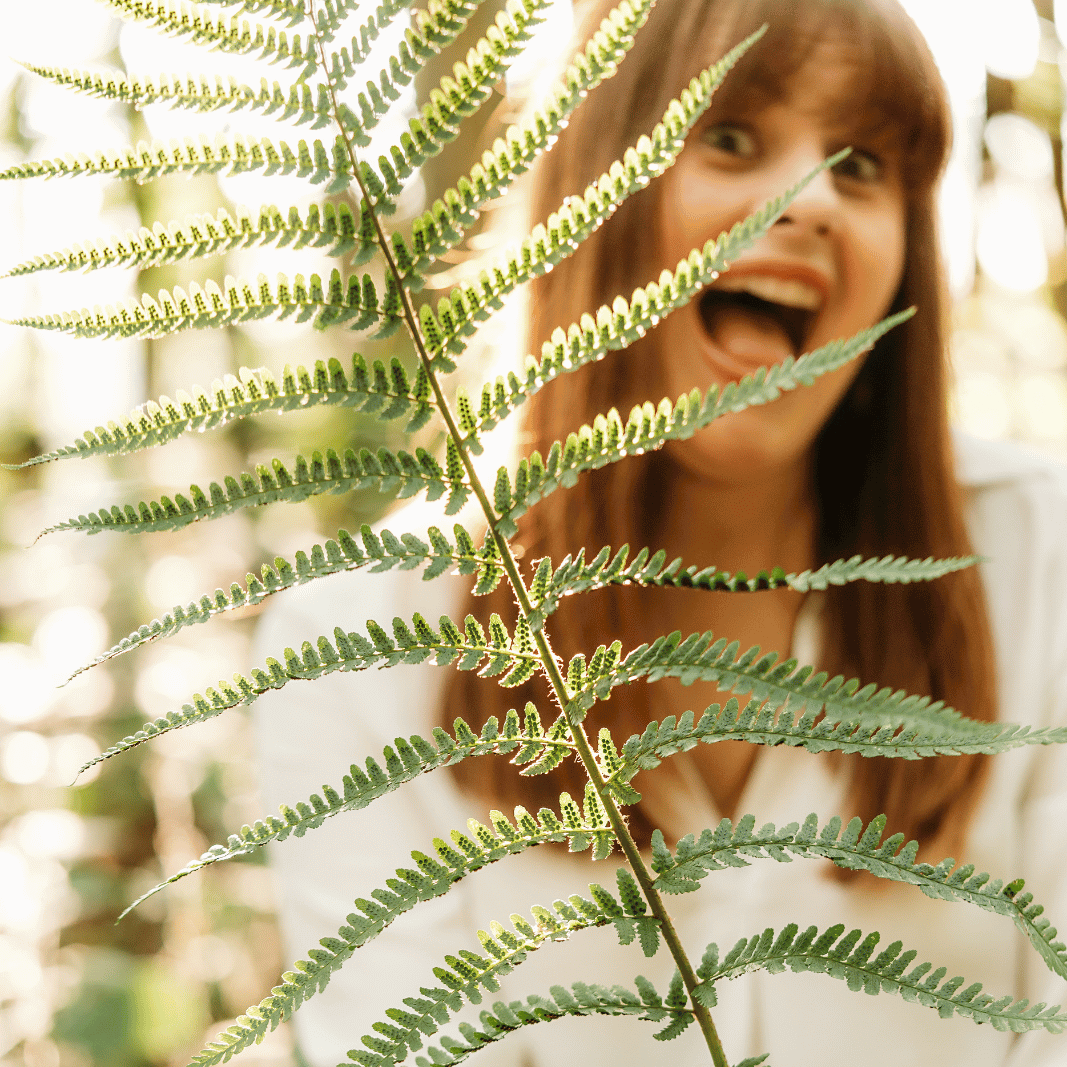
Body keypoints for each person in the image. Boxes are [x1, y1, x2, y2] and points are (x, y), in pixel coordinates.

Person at [253, 1, 1067, 1064]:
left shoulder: (1039, 556)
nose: (810, 197)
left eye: (861, 162)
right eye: (729, 137)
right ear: (583, 194)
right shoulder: (358, 642)